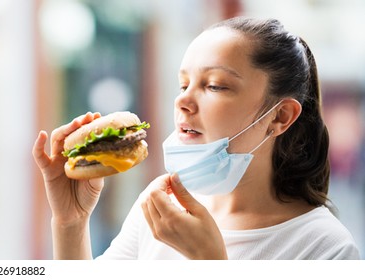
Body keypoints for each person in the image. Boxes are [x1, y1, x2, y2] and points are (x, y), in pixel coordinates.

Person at [31, 16, 360, 260]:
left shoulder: (326, 248)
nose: (183, 102)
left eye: (215, 86)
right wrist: (70, 223)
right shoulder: (161, 206)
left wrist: (210, 264)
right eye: (183, 84)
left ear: (280, 116)